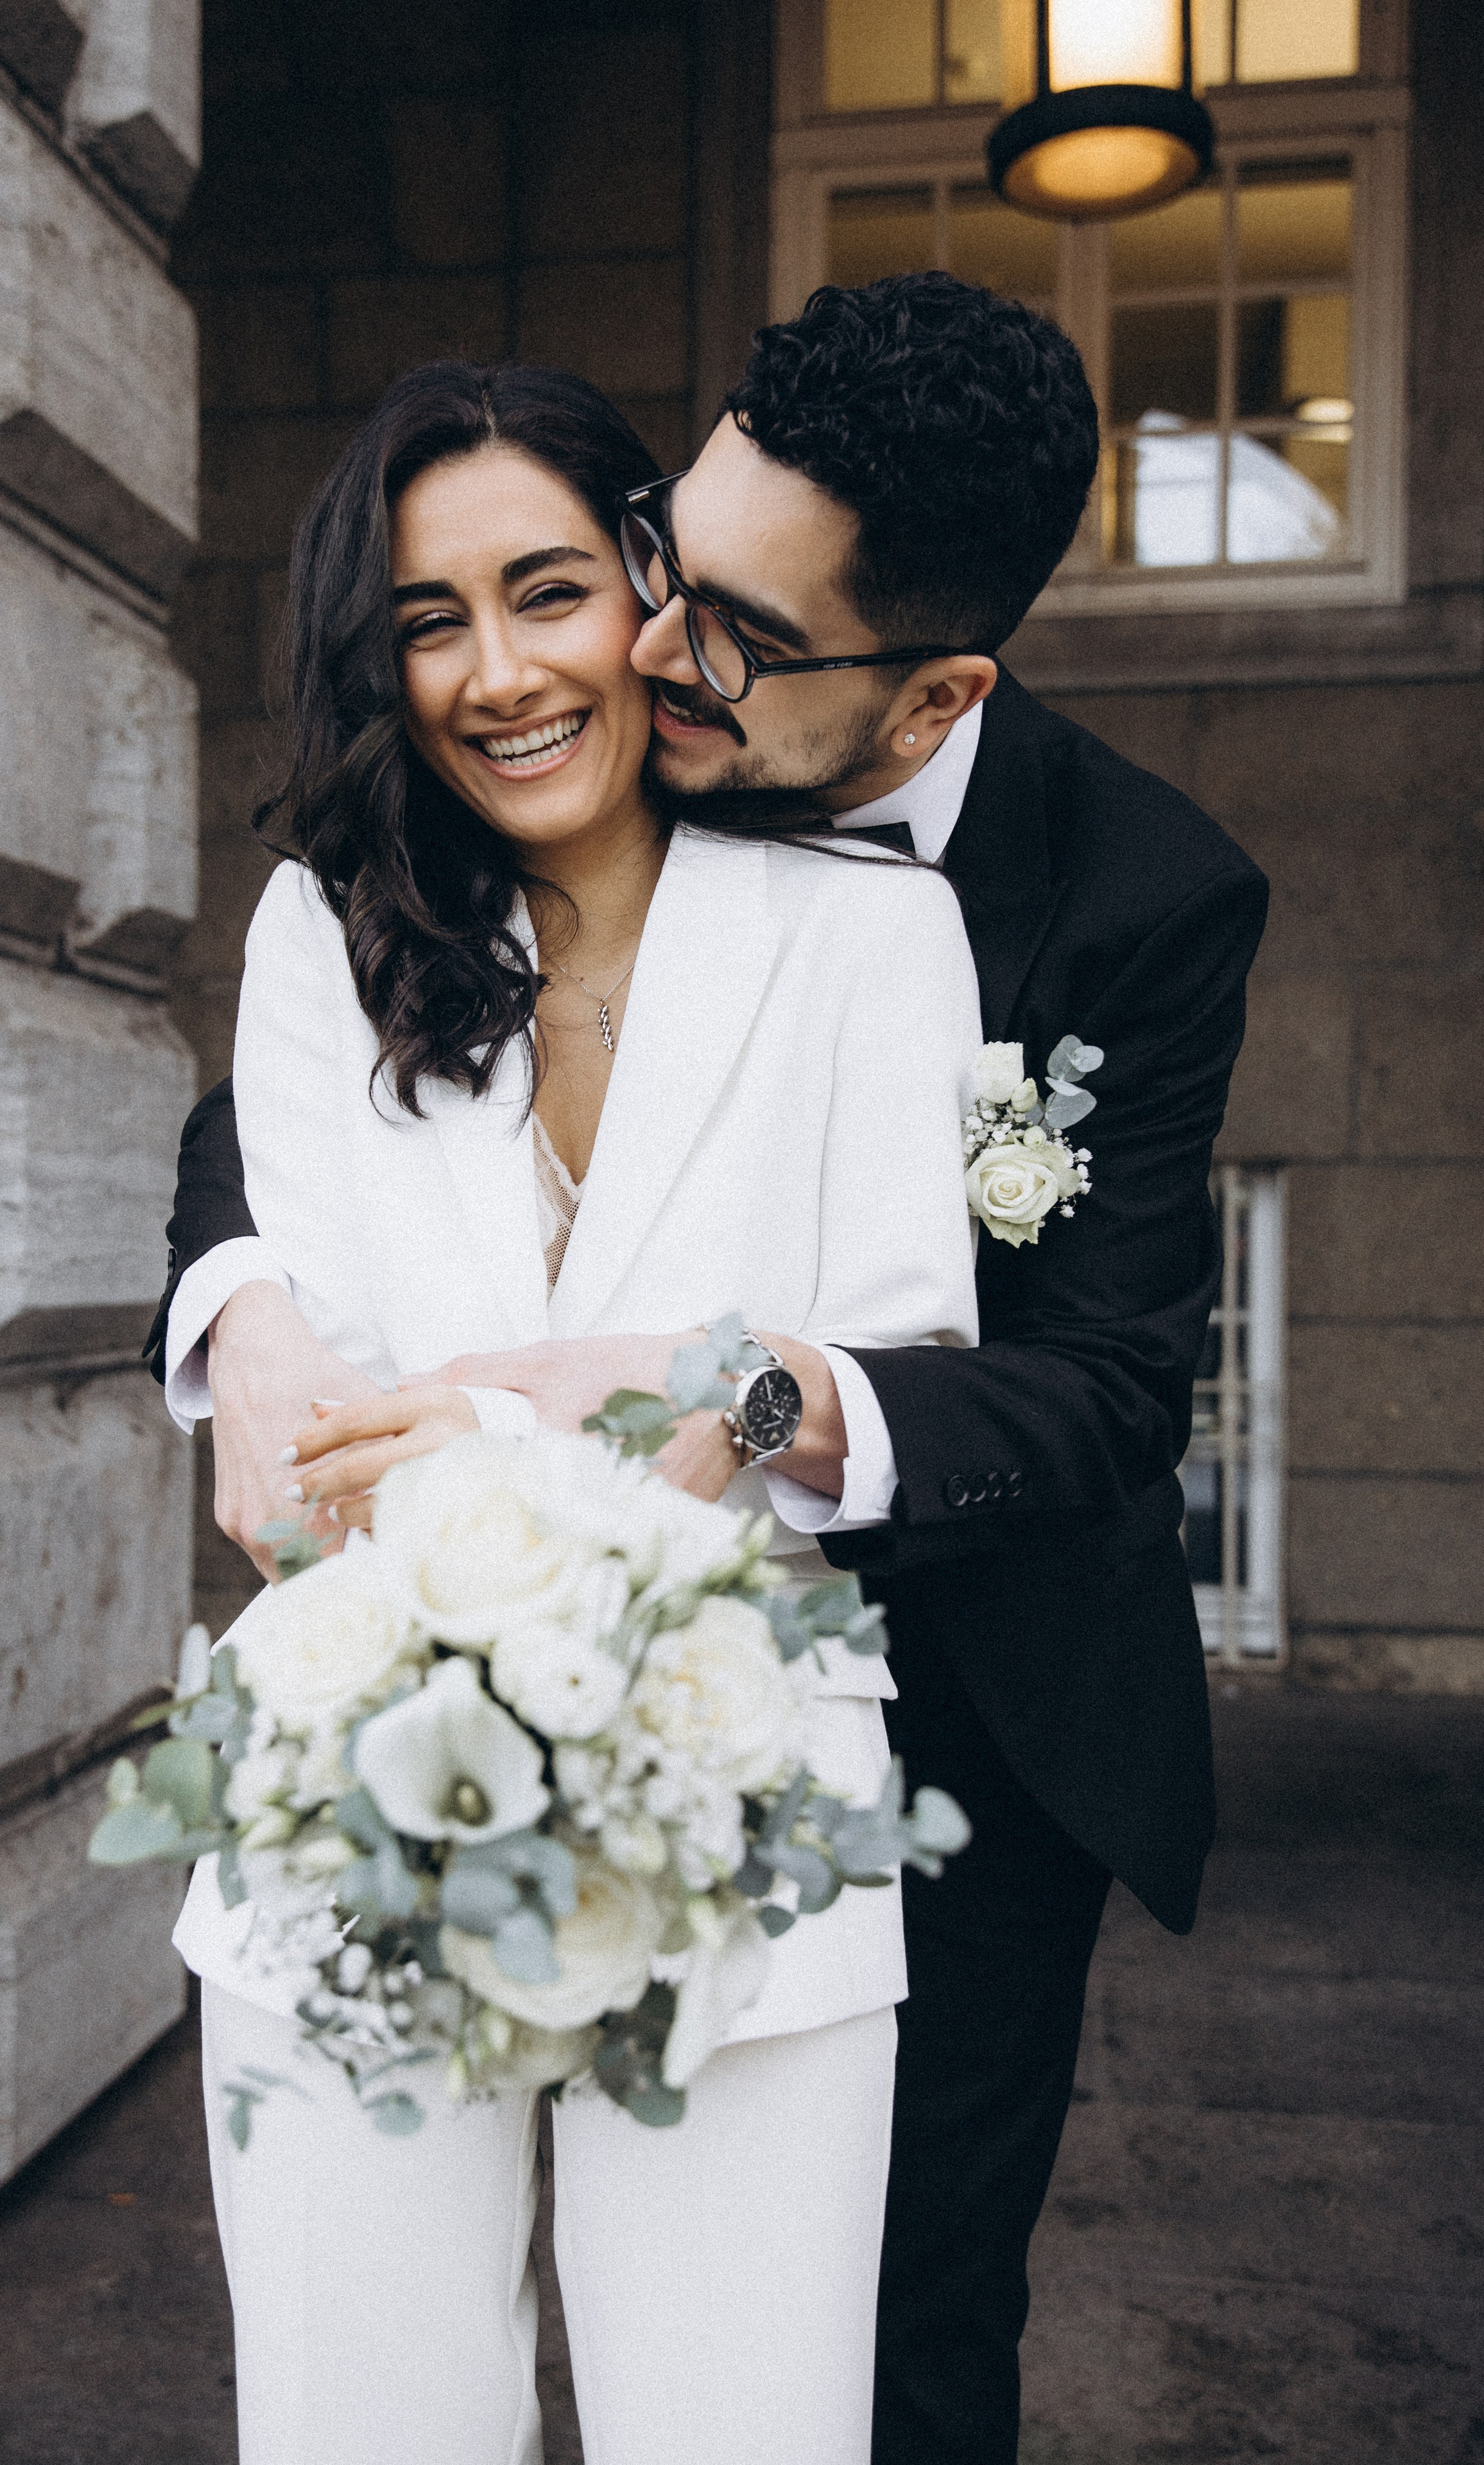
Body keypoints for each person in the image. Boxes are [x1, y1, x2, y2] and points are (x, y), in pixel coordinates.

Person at [151, 276, 1270, 2464]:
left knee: (863, 2360)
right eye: (658, 558)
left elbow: (1090, 1383)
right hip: (404, 1734)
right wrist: (240, 1303)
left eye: (704, 625)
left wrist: (685, 1387)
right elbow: (283, 1134)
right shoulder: (383, 889)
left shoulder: (1093, 902)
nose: (640, 654)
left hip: (936, 1692)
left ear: (933, 685)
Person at [171, 358, 983, 2465]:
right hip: (352, 1810)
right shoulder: (319, 938)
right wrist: (663, 1416)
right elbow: (327, 1454)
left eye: (547, 591)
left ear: (650, 585)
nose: (501, 672)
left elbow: (888, 1373)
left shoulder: (872, 940)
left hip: (747, 1825)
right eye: (430, 621)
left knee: (745, 2434)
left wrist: (547, 1436)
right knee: (366, 2435)